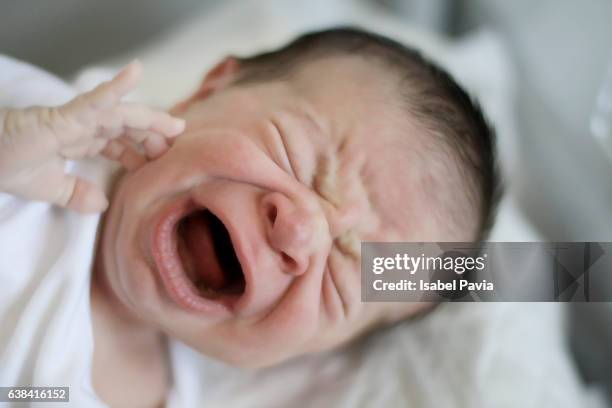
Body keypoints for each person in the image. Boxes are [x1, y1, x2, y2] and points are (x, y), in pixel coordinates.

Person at [0, 28, 499, 407]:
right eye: (298, 158)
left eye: (341, 277)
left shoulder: (180, 393)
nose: (299, 233)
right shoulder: (42, 135)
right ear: (206, 93)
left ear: (311, 353)